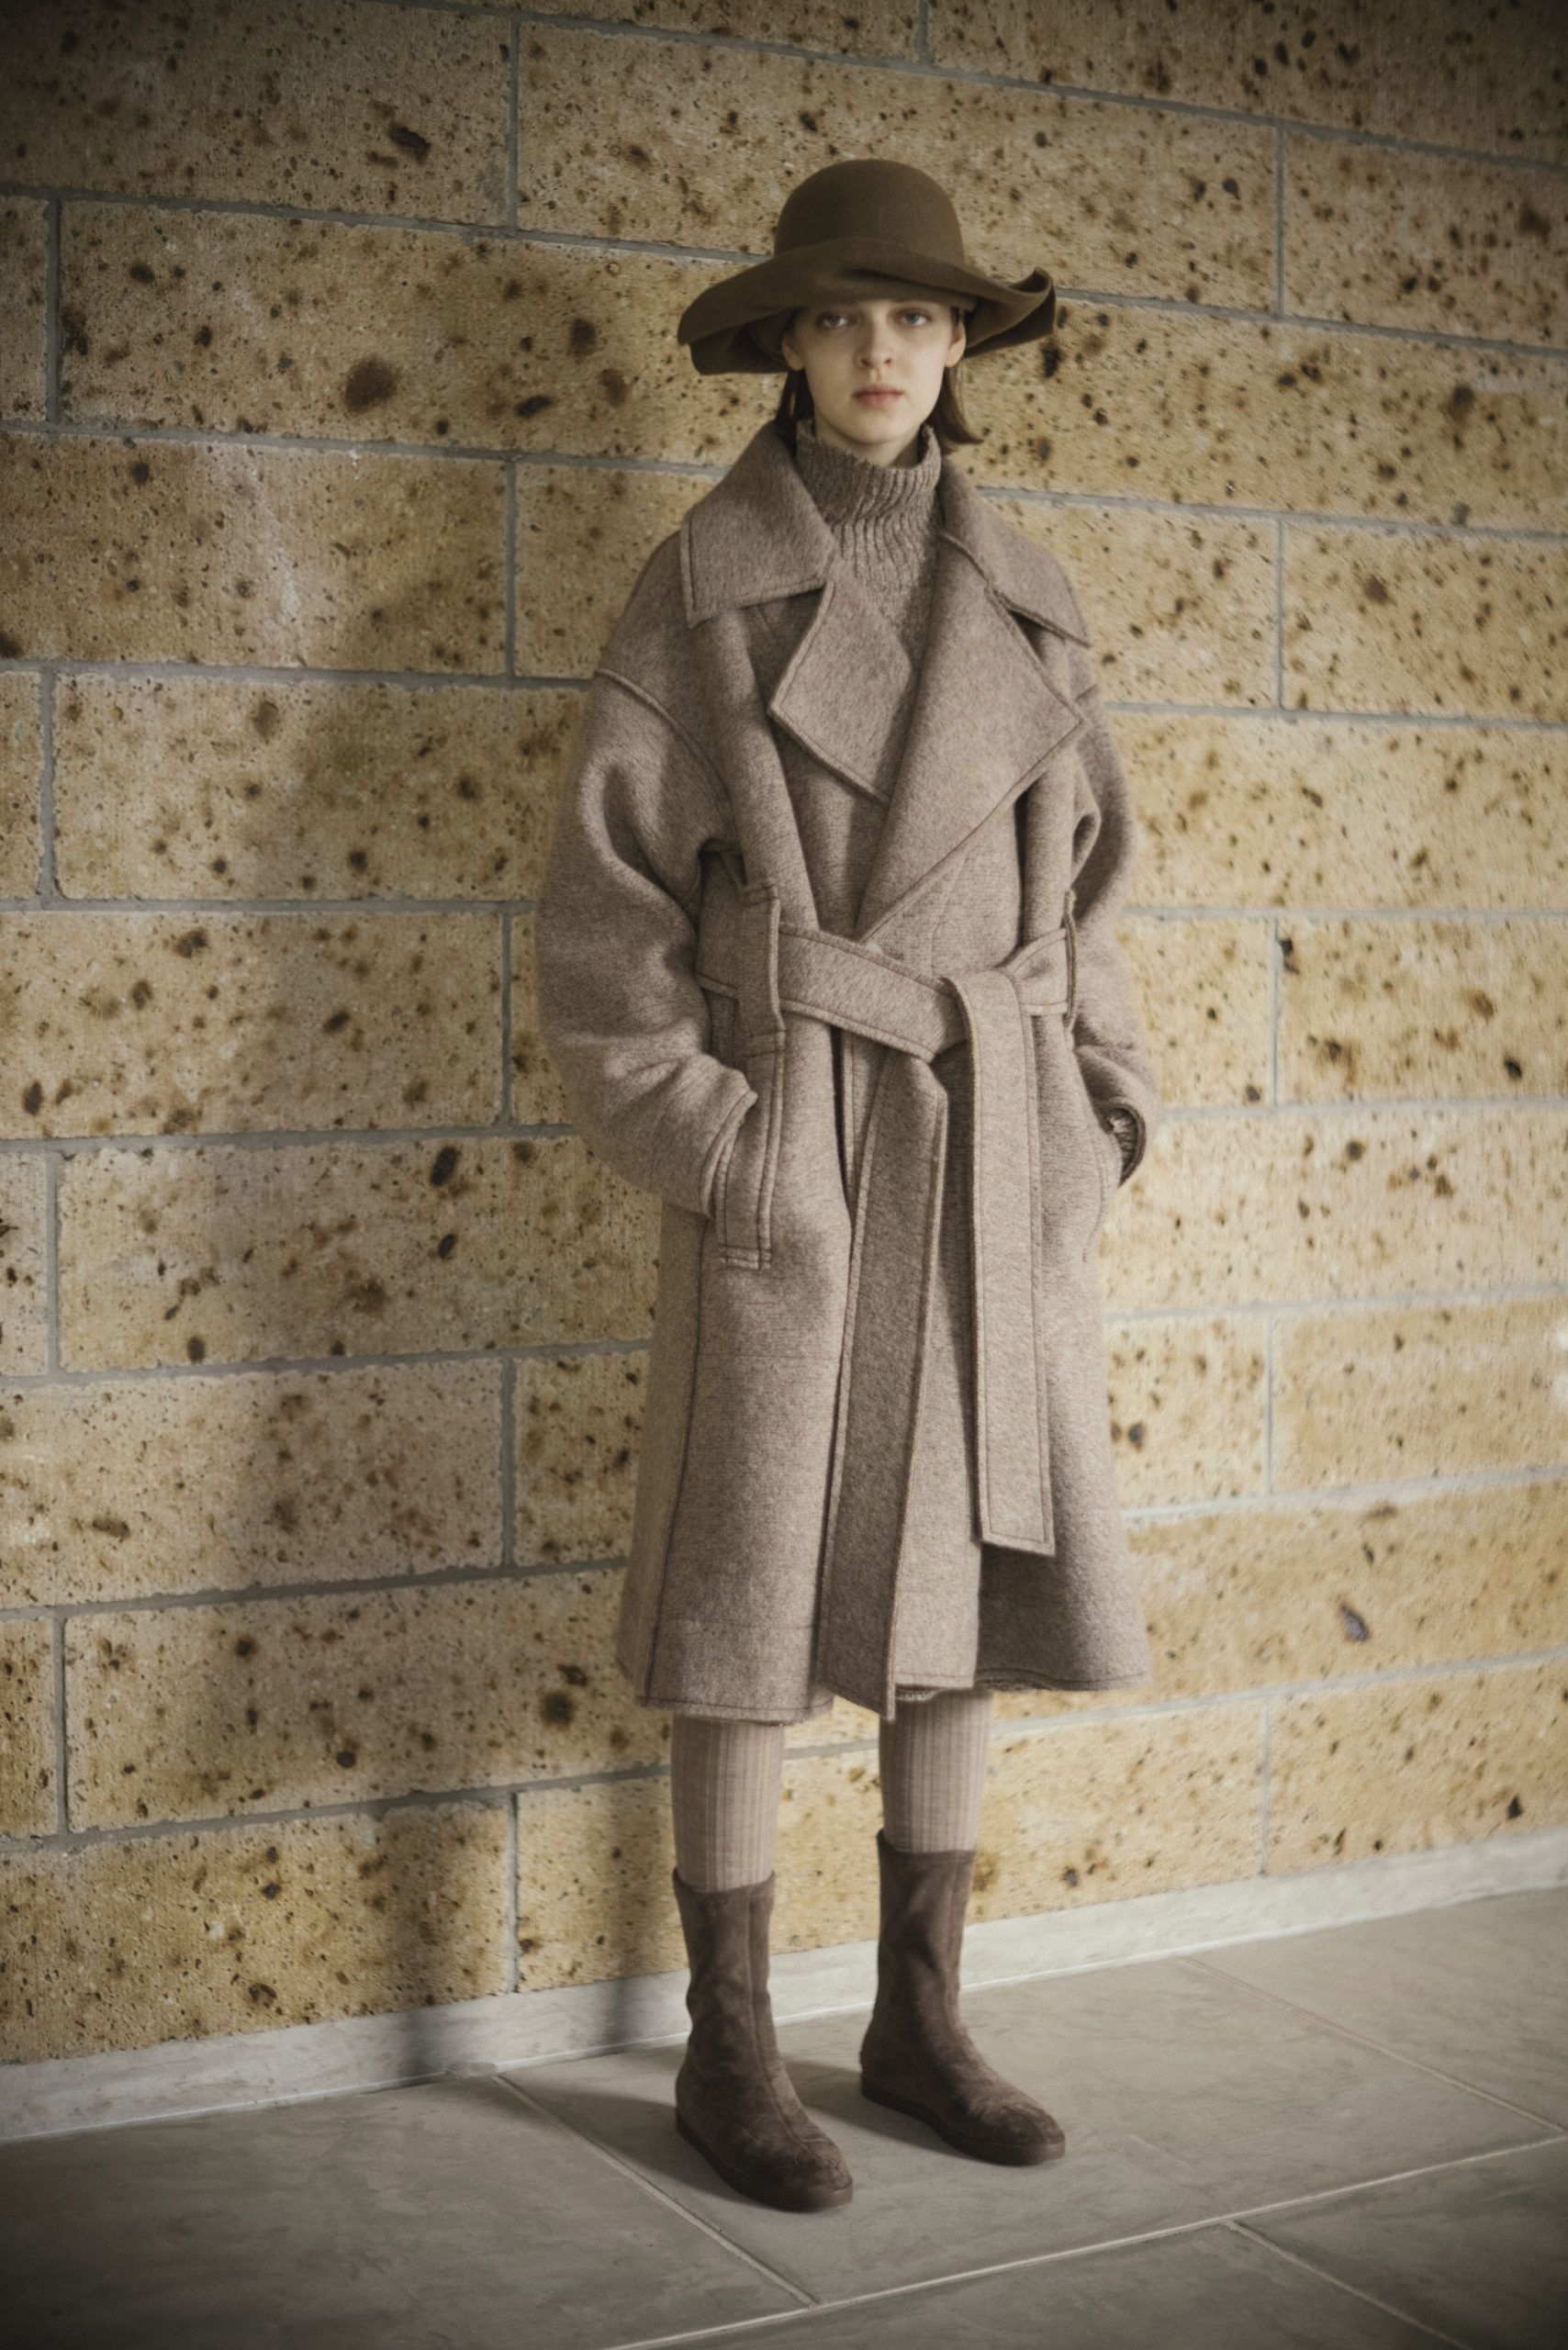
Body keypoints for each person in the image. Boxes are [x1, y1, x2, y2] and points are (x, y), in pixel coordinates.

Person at [535, 158, 1159, 2213]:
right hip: (795, 1140)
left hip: (989, 1139)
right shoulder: (698, 590)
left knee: (961, 1579)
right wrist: (732, 1148)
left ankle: (916, 2017)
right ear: (785, 345)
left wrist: (1096, 1107)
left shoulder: (1034, 595)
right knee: (742, 1598)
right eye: (838, 315)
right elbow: (606, 930)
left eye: (915, 315)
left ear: (959, 342)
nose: (880, 349)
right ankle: (726, 2045)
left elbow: (1093, 897)